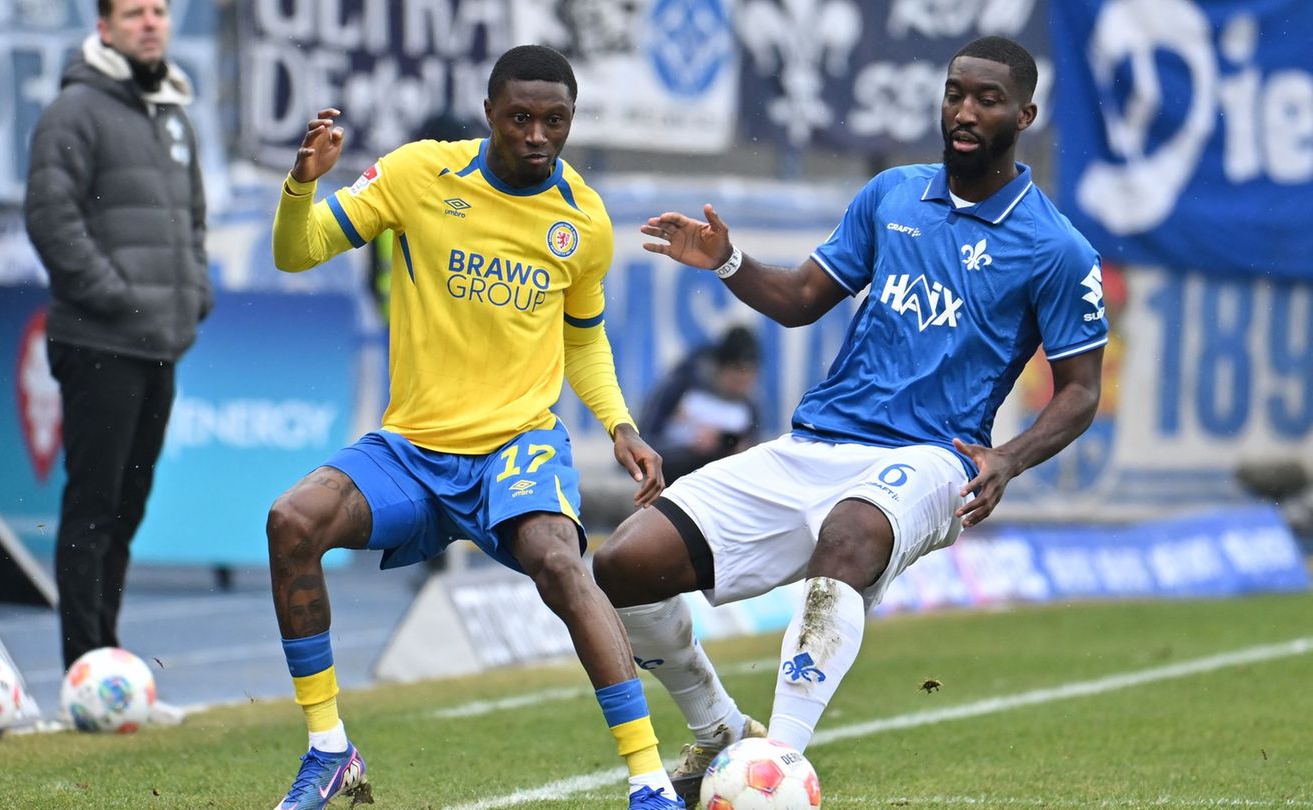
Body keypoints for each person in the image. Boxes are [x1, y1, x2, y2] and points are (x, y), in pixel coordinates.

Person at [592, 35, 1107, 805]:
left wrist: (1008, 458)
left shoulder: (1057, 249)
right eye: (955, 92)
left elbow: (1080, 391)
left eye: (987, 99)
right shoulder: (891, 195)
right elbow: (802, 299)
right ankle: (723, 736)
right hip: (816, 443)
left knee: (851, 532)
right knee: (623, 564)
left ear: (1025, 114)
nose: (965, 111)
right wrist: (731, 264)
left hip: (935, 458)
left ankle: (778, 769)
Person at [266, 45, 684, 810]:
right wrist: (302, 186)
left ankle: (648, 783)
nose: (537, 135)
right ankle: (329, 752)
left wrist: (619, 425)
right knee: (292, 521)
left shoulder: (583, 220)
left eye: (554, 120)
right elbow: (298, 252)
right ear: (489, 112)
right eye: (520, 117)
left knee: (559, 563)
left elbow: (582, 336)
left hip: (516, 444)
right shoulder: (420, 173)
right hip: (413, 447)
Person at [24, 0, 210, 726]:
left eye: (160, 10)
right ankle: (85, 678)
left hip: (158, 342)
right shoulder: (74, 110)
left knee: (126, 512)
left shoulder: (171, 111)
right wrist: (121, 298)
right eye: (134, 12)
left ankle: (108, 667)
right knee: (93, 508)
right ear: (104, 28)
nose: (151, 22)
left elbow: (191, 221)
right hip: (100, 341)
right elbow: (50, 218)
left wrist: (193, 295)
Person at [641, 325, 761, 484]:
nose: (739, 388)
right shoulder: (681, 384)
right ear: (721, 368)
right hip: (673, 474)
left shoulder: (749, 405)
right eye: (735, 379)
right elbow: (644, 442)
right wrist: (691, 445)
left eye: (746, 381)